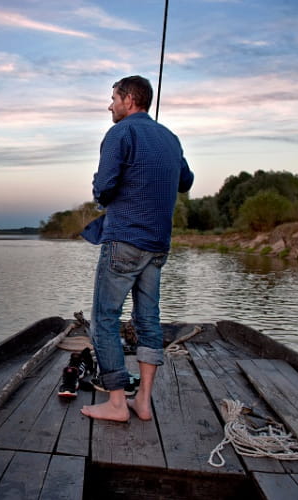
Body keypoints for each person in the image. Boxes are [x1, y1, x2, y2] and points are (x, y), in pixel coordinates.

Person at [80, 75, 194, 422]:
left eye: (113, 98)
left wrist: (99, 191)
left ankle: (117, 402)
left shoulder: (120, 133)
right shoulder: (170, 137)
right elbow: (185, 181)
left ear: (129, 99)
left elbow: (105, 186)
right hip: (158, 245)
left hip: (126, 240)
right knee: (148, 321)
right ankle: (142, 400)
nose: (109, 105)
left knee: (104, 319)